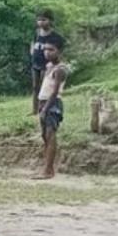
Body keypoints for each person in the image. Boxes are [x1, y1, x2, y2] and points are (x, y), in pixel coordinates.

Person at [35, 40, 69, 179]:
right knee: (45, 136)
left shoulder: (60, 69)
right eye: (45, 50)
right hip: (44, 102)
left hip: (52, 103)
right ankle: (47, 168)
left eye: (51, 50)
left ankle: (48, 170)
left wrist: (45, 109)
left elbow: (54, 92)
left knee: (50, 134)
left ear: (59, 51)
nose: (47, 53)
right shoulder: (49, 66)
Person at [29, 10, 66, 115]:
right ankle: (34, 109)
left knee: (44, 86)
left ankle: (44, 107)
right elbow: (32, 43)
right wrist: (32, 52)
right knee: (35, 86)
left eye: (44, 20)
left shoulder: (55, 36)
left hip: (46, 65)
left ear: (50, 21)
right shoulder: (36, 33)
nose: (41, 22)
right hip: (35, 63)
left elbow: (61, 47)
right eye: (39, 20)